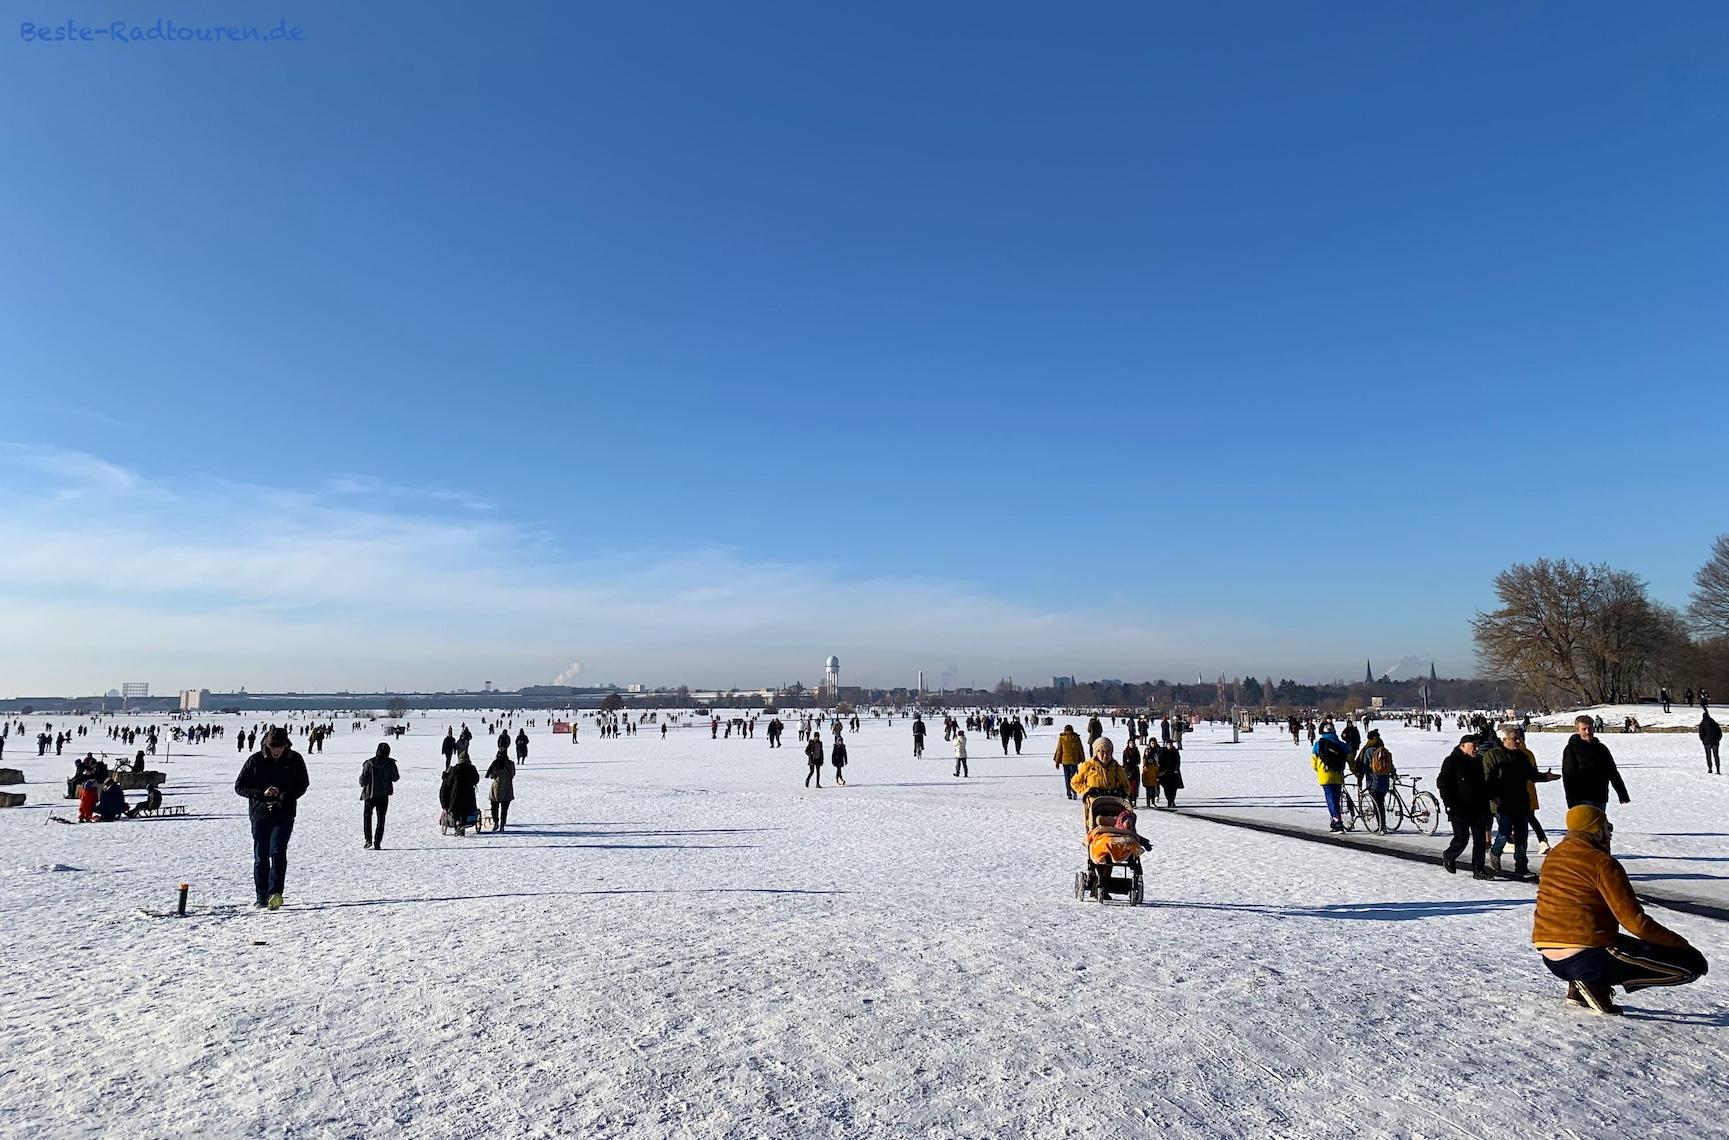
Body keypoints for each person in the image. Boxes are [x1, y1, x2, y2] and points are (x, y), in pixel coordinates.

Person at [1532, 805, 1708, 1015]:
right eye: (1608, 827)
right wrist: (1682, 946)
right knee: (1690, 967)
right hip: (1588, 956)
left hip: (1550, 957)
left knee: (1605, 941)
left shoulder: (1553, 856)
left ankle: (1579, 987)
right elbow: (1635, 922)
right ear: (1597, 832)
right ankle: (1596, 984)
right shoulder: (1602, 863)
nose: (1611, 834)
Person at [235, 727, 311, 909]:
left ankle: (275, 893)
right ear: (267, 745)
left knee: (277, 853)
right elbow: (239, 786)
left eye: (280, 747)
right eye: (273, 747)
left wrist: (285, 794)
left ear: (286, 745)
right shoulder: (255, 760)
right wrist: (262, 793)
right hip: (260, 814)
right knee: (261, 857)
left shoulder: (295, 760)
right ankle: (261, 895)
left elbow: (303, 784)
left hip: (284, 813)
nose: (277, 750)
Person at [1482, 725, 1558, 880]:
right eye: (1514, 739)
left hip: (1521, 801)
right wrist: (1493, 796)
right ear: (1504, 740)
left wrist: (1545, 777)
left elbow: (1531, 775)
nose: (1518, 741)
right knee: (1504, 832)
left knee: (1522, 835)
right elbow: (1487, 778)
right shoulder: (1493, 755)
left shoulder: (1522, 757)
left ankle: (1521, 865)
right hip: (1501, 802)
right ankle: (1495, 852)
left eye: (1519, 738)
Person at [1437, 735, 1491, 879]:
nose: (1477, 749)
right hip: (1459, 808)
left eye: (1477, 746)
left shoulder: (1478, 762)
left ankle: (1478, 869)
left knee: (1480, 840)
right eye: (1473, 746)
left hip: (1477, 807)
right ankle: (1449, 854)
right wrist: (1449, 804)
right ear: (1463, 746)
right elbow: (1443, 784)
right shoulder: (1451, 761)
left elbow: (1482, 786)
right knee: (1462, 838)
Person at [1561, 715, 1629, 809]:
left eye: (1590, 728)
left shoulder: (1601, 748)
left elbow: (1612, 772)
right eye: (1584, 729)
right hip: (1581, 798)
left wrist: (1622, 794)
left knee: (1600, 823)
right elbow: (1568, 776)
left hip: (1600, 796)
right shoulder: (1571, 749)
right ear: (1578, 730)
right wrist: (1571, 802)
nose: (1588, 732)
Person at [359, 742, 399, 849]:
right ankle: (377, 842)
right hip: (383, 794)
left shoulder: (369, 763)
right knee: (381, 818)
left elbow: (362, 781)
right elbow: (395, 777)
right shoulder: (390, 763)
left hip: (369, 794)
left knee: (367, 817)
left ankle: (368, 839)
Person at [1311, 727, 1350, 832]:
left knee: (1331, 800)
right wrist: (1354, 770)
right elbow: (1350, 758)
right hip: (1338, 775)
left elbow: (1313, 763)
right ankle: (1335, 820)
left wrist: (1319, 770)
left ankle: (1337, 823)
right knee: (1335, 799)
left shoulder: (1318, 744)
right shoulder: (1341, 744)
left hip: (1325, 775)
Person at [1358, 729, 1395, 833]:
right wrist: (1393, 774)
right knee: (1381, 803)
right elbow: (1390, 765)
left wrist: (1359, 778)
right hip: (1385, 781)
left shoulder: (1368, 750)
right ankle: (1383, 825)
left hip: (1372, 782)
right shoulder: (1384, 750)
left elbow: (1364, 766)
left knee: (1376, 805)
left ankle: (1381, 826)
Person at [439, 750, 481, 835]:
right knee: (466, 810)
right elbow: (476, 780)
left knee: (455, 809)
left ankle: (457, 825)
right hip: (468, 793)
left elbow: (449, 782)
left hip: (456, 793)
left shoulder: (455, 769)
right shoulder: (472, 768)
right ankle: (462, 824)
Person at [486, 747, 516, 831]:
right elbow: (512, 774)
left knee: (494, 807)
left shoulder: (495, 763)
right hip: (508, 788)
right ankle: (502, 825)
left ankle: (496, 823)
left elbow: (492, 776)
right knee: (504, 809)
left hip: (496, 788)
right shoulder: (510, 764)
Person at [1053, 724, 1085, 800]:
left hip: (1065, 761)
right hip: (1074, 761)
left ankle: (1068, 793)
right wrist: (1083, 760)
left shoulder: (1062, 738)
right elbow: (1080, 749)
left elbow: (1059, 750)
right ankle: (1074, 792)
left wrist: (1057, 762)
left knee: (1067, 777)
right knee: (1074, 778)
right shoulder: (1076, 737)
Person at [1155, 743, 1183, 808]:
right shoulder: (1163, 752)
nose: (1169, 746)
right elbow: (1160, 762)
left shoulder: (1175, 752)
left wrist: (1176, 769)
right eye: (1168, 744)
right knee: (1167, 788)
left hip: (1174, 773)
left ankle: (1172, 801)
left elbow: (1178, 761)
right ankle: (1169, 801)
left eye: (1170, 744)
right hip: (1165, 773)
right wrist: (1162, 770)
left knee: (1173, 789)